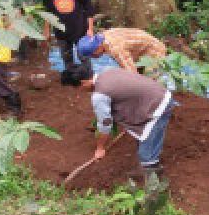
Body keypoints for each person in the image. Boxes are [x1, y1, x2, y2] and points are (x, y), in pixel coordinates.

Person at [65, 63, 174, 191]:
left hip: (157, 106)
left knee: (146, 153)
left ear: (83, 83)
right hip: (159, 94)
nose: (78, 91)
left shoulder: (99, 96)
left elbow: (105, 124)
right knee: (143, 140)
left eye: (76, 88)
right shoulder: (108, 71)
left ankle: (155, 189)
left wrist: (100, 148)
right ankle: (145, 171)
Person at [40, 0, 95, 76]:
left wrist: (90, 29)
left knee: (84, 57)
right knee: (66, 57)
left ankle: (88, 77)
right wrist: (46, 29)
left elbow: (89, 8)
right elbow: (47, 10)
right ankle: (72, 78)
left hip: (79, 28)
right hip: (61, 29)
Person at [77, 28, 167, 73]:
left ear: (96, 48)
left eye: (93, 55)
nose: (95, 58)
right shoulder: (103, 37)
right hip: (140, 51)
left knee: (149, 81)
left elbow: (132, 73)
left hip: (154, 50)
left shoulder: (115, 48)